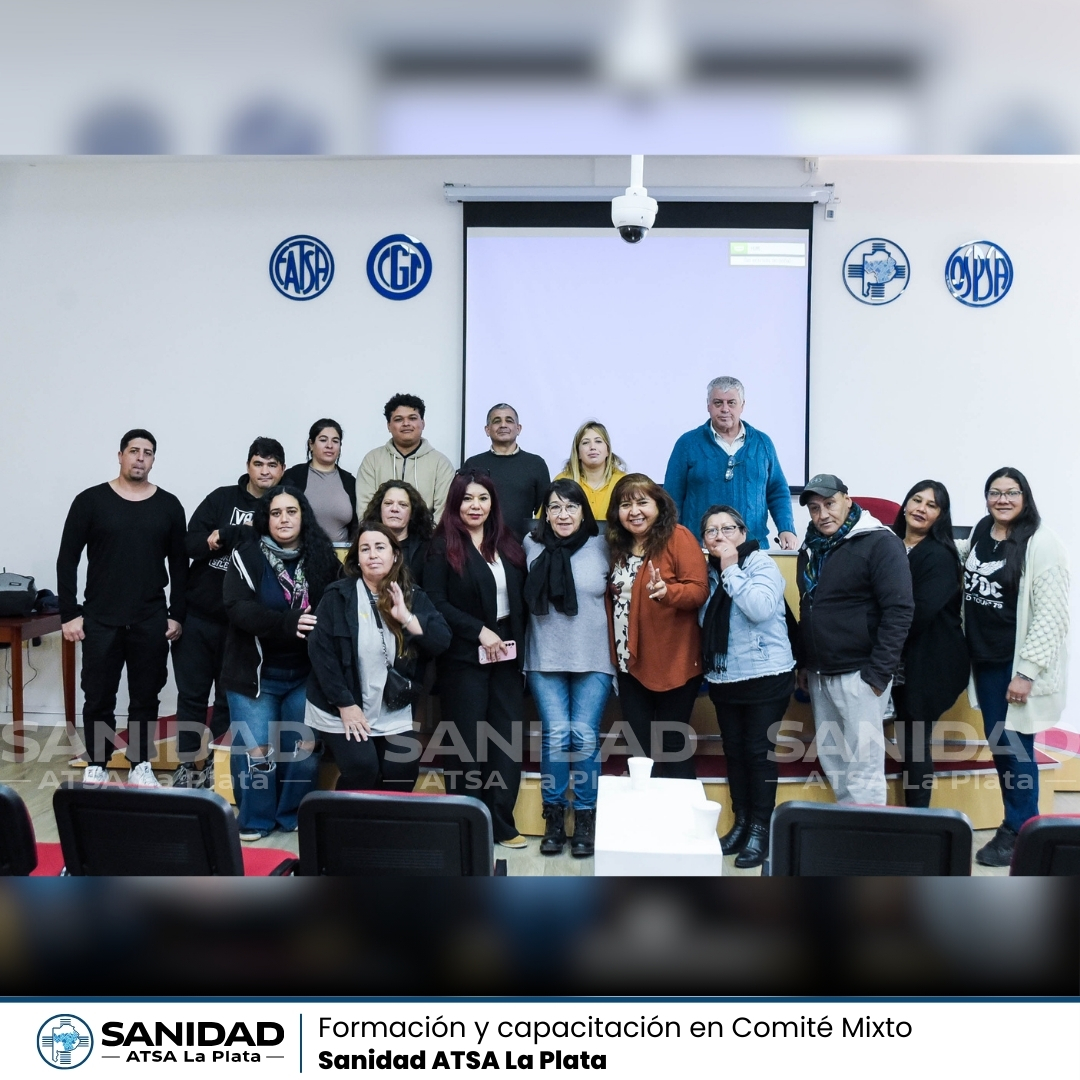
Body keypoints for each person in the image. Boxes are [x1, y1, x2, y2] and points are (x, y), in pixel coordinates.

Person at [57, 429, 187, 787]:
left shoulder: (169, 506)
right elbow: (67, 559)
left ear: (153, 460)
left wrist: (177, 614)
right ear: (120, 456)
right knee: (98, 695)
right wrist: (69, 613)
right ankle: (97, 762)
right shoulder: (90, 501)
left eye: (147, 452)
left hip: (150, 617)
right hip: (100, 618)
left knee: (146, 695)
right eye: (133, 450)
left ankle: (140, 763)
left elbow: (180, 566)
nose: (140, 457)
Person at [962, 468, 1069, 867]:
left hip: (1015, 667)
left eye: (1011, 492)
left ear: (1025, 496)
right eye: (995, 492)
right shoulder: (982, 531)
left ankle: (1021, 829)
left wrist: (1026, 673)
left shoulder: (1042, 543)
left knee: (1016, 749)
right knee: (1002, 746)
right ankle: (1019, 825)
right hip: (985, 661)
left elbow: (1052, 617)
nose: (1002, 499)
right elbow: (965, 559)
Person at [220, 486, 340, 840]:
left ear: (304, 516)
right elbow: (238, 609)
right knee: (257, 751)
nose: (284, 519)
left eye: (291, 512)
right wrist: (289, 622)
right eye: (276, 513)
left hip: (305, 674)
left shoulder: (323, 557)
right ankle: (255, 820)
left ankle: (292, 814)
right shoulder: (246, 555)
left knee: (304, 748)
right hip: (255, 676)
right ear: (266, 519)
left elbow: (336, 606)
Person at [171, 437, 286, 788]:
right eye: (258, 463)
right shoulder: (221, 498)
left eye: (272, 465)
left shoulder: (283, 509)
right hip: (199, 616)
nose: (264, 471)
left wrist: (231, 533)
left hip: (242, 626)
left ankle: (216, 766)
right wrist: (219, 539)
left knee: (228, 699)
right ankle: (189, 765)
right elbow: (191, 543)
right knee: (192, 696)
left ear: (282, 470)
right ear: (248, 466)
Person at [425, 470, 529, 848]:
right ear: (455, 502)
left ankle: (501, 823)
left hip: (506, 655)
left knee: (505, 740)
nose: (475, 506)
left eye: (483, 498)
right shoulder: (442, 546)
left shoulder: (508, 542)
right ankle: (466, 823)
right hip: (464, 657)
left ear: (492, 503)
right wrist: (477, 630)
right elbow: (434, 601)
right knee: (467, 744)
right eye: (468, 498)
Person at [796, 474, 914, 806]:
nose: (823, 515)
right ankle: (847, 826)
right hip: (820, 673)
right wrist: (805, 663)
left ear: (847, 500)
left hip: (861, 674)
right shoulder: (811, 547)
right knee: (835, 762)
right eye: (814, 508)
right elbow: (808, 607)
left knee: (864, 768)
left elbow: (900, 610)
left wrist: (879, 673)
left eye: (829, 504)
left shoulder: (880, 542)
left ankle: (868, 833)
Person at [306, 523, 451, 791]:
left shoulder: (412, 596)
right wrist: (345, 705)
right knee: (363, 767)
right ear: (357, 559)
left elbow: (441, 642)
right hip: (341, 704)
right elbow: (321, 654)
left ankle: (386, 819)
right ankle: (342, 817)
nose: (372, 554)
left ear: (395, 555)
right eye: (365, 549)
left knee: (402, 769)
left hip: (391, 706)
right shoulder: (337, 596)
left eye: (380, 547)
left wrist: (406, 618)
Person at [699, 505, 795, 869]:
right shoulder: (707, 573)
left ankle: (760, 829)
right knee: (735, 753)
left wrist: (730, 569)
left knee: (758, 753)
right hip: (725, 677)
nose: (720, 536)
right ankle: (741, 823)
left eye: (728, 528)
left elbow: (759, 608)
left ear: (743, 532)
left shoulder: (760, 564)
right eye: (711, 531)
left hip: (766, 676)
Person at [524, 479, 615, 858]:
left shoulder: (603, 545)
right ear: (545, 513)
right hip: (544, 657)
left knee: (584, 736)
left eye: (571, 507)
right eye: (555, 507)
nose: (563, 515)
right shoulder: (530, 544)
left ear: (583, 511)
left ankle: (586, 818)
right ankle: (554, 818)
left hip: (594, 657)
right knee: (557, 735)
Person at [606, 474, 710, 779]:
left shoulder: (678, 537)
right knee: (638, 750)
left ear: (659, 505)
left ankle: (683, 811)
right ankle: (643, 809)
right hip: (628, 663)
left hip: (673, 662)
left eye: (642, 502)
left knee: (671, 744)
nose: (634, 511)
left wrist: (668, 592)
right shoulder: (617, 544)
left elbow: (699, 591)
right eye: (625, 505)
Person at [890, 480, 969, 809]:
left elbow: (919, 613)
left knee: (914, 743)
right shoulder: (889, 543)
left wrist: (878, 638)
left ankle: (918, 820)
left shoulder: (940, 555)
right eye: (917, 500)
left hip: (934, 662)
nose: (921, 508)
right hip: (902, 659)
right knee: (908, 740)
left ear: (941, 515)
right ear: (906, 504)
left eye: (932, 505)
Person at [664, 376, 797, 550]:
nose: (725, 409)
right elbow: (671, 498)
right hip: (699, 550)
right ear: (708, 406)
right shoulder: (687, 444)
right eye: (718, 403)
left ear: (742, 405)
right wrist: (672, 540)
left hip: (753, 549)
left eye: (731, 403)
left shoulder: (763, 444)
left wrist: (786, 528)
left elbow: (777, 492)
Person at [356, 393, 456, 522]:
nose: (406, 423)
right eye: (398, 419)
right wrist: (379, 534)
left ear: (423, 423)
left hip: (427, 534)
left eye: (412, 418)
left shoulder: (440, 463)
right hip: (380, 534)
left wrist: (426, 535)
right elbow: (365, 510)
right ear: (388, 426)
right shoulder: (372, 460)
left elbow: (443, 513)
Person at [461, 403, 550, 540]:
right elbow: (461, 505)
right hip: (480, 543)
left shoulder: (536, 464)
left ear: (518, 428)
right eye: (497, 421)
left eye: (509, 420)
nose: (503, 425)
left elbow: (545, 510)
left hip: (523, 544)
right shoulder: (473, 464)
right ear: (487, 430)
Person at [281, 419, 358, 543]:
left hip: (342, 553)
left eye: (335, 441)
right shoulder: (293, 477)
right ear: (311, 444)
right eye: (323, 440)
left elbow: (356, 525)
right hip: (301, 551)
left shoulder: (350, 482)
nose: (329, 446)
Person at [361, 480, 436, 587]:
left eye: (403, 505)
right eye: (388, 503)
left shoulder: (428, 548)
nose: (394, 509)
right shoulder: (364, 543)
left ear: (412, 512)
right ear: (379, 509)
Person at [555, 421, 627, 521]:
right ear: (578, 452)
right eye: (585, 442)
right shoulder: (562, 481)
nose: (592, 447)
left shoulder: (623, 482)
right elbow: (543, 521)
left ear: (608, 450)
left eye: (598, 441)